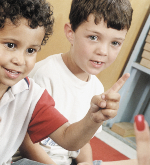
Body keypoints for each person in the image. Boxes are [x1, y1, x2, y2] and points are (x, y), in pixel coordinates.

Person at [0, 0, 129, 165]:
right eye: (11, 45)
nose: (20, 60)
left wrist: (93, 118)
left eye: (31, 50)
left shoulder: (32, 94)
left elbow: (68, 140)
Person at [19, 0, 136, 165]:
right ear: (70, 33)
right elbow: (26, 143)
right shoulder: (44, 74)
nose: (103, 51)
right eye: (93, 37)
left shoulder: (97, 87)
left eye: (115, 43)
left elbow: (83, 143)